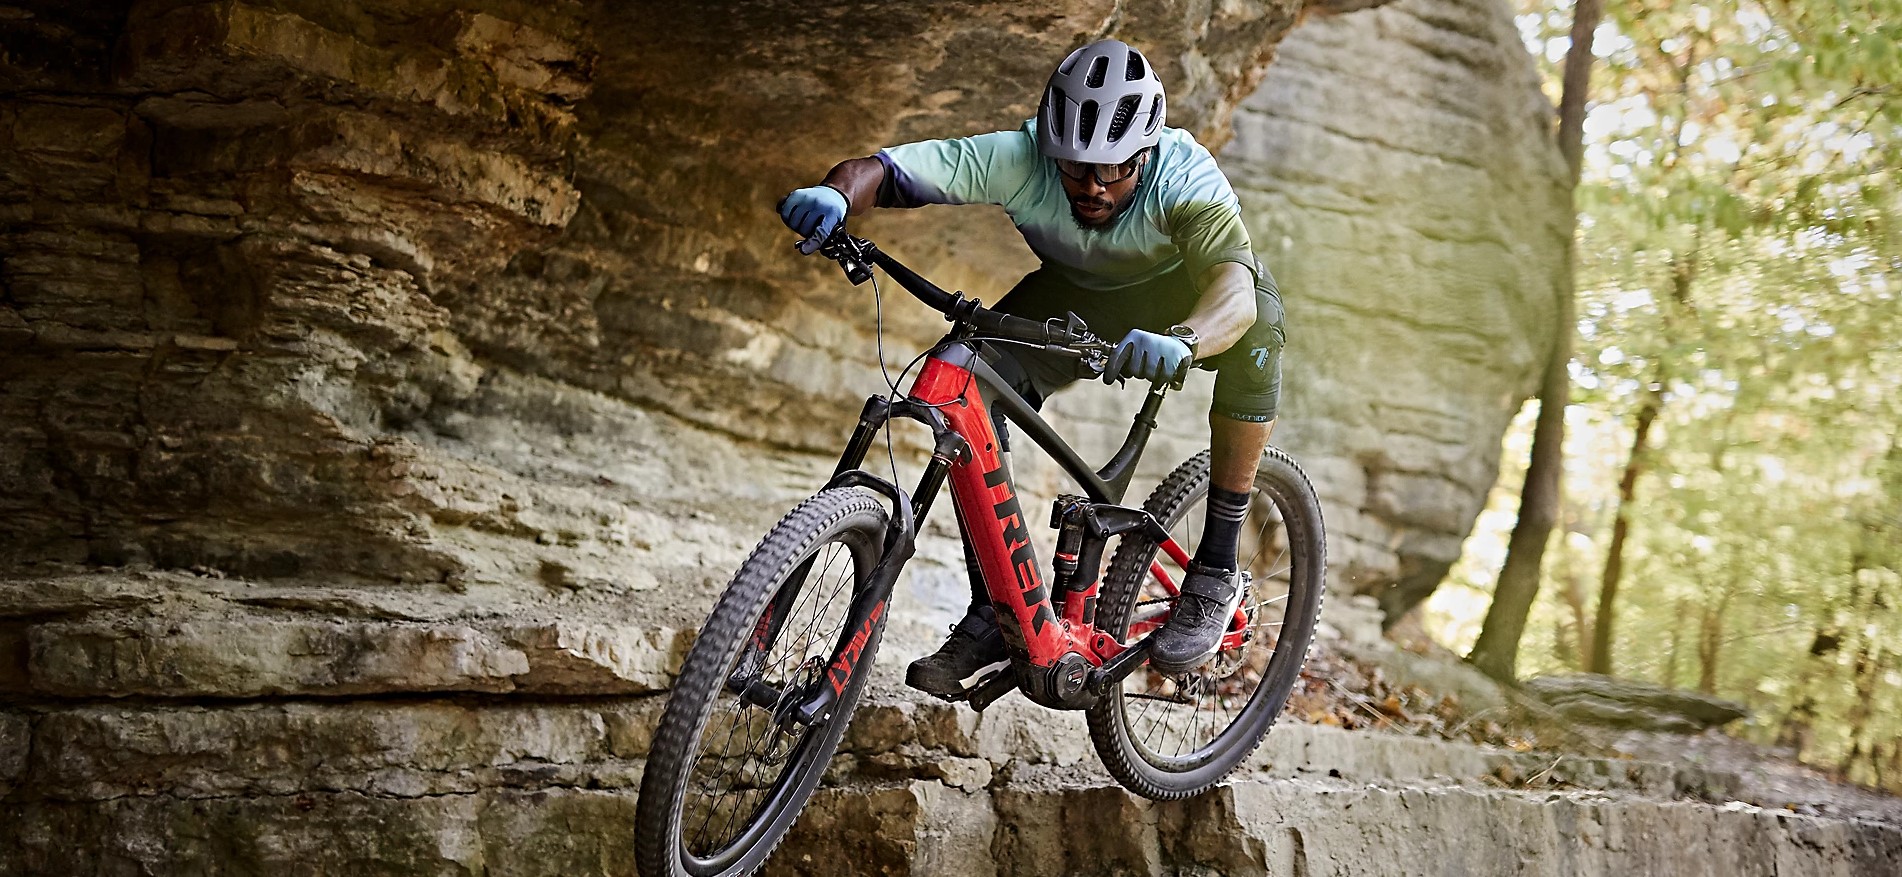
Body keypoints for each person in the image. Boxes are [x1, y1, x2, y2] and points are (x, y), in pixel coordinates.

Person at [776, 39, 1286, 693]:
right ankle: (995, 612)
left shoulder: (1184, 176)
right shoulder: (1022, 157)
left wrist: (1186, 339)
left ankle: (1215, 569)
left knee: (1260, 333)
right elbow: (888, 170)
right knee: (966, 377)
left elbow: (1234, 291)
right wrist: (837, 195)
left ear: (1145, 153)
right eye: (1075, 168)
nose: (1092, 186)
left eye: (1113, 170)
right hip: (1080, 296)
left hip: (1189, 300)